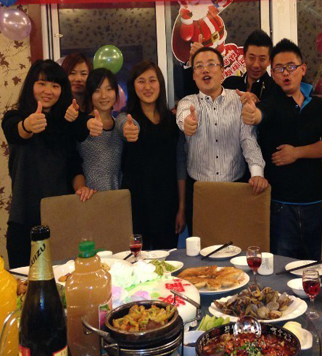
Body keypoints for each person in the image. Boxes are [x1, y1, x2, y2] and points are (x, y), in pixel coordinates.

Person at [2, 60, 96, 268]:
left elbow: (73, 165)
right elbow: (16, 131)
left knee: (65, 277)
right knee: (25, 280)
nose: (48, 91)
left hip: (62, 215)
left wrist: (81, 187)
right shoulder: (15, 116)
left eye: (55, 85)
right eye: (42, 84)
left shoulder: (65, 123)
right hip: (24, 217)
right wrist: (28, 125)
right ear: (31, 86)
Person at [241, 39, 322, 259]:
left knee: (317, 266)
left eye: (291, 66)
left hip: (316, 202)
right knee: (281, 266)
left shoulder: (318, 105)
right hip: (280, 205)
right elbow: (260, 114)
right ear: (273, 73)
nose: (286, 73)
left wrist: (297, 152)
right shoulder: (272, 102)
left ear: (303, 69)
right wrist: (252, 114)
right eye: (279, 68)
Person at [176, 47, 268, 234]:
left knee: (236, 242)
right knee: (201, 245)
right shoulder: (188, 102)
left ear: (222, 71)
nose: (205, 70)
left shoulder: (239, 100)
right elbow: (183, 116)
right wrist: (187, 124)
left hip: (235, 187)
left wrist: (257, 173)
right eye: (199, 66)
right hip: (199, 190)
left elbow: (248, 140)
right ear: (193, 75)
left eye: (211, 64)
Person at [122, 62, 186, 249]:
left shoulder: (172, 121)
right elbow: (121, 128)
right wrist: (125, 130)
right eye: (141, 81)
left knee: (167, 260)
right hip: (135, 207)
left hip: (168, 205)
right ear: (133, 86)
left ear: (160, 84)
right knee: (137, 262)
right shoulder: (127, 120)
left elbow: (180, 164)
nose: (147, 87)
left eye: (152, 80)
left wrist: (182, 207)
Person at [71, 68, 139, 191]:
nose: (103, 96)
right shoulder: (82, 123)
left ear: (116, 92)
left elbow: (125, 123)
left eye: (109, 89)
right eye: (97, 90)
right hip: (89, 196)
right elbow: (72, 162)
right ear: (90, 94)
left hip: (116, 196)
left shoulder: (118, 123)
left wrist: (132, 128)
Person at [182, 30, 275, 100]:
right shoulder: (230, 84)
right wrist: (194, 61)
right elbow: (198, 99)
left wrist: (258, 108)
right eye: (251, 58)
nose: (256, 65)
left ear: (269, 61)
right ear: (244, 57)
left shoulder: (275, 90)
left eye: (262, 59)